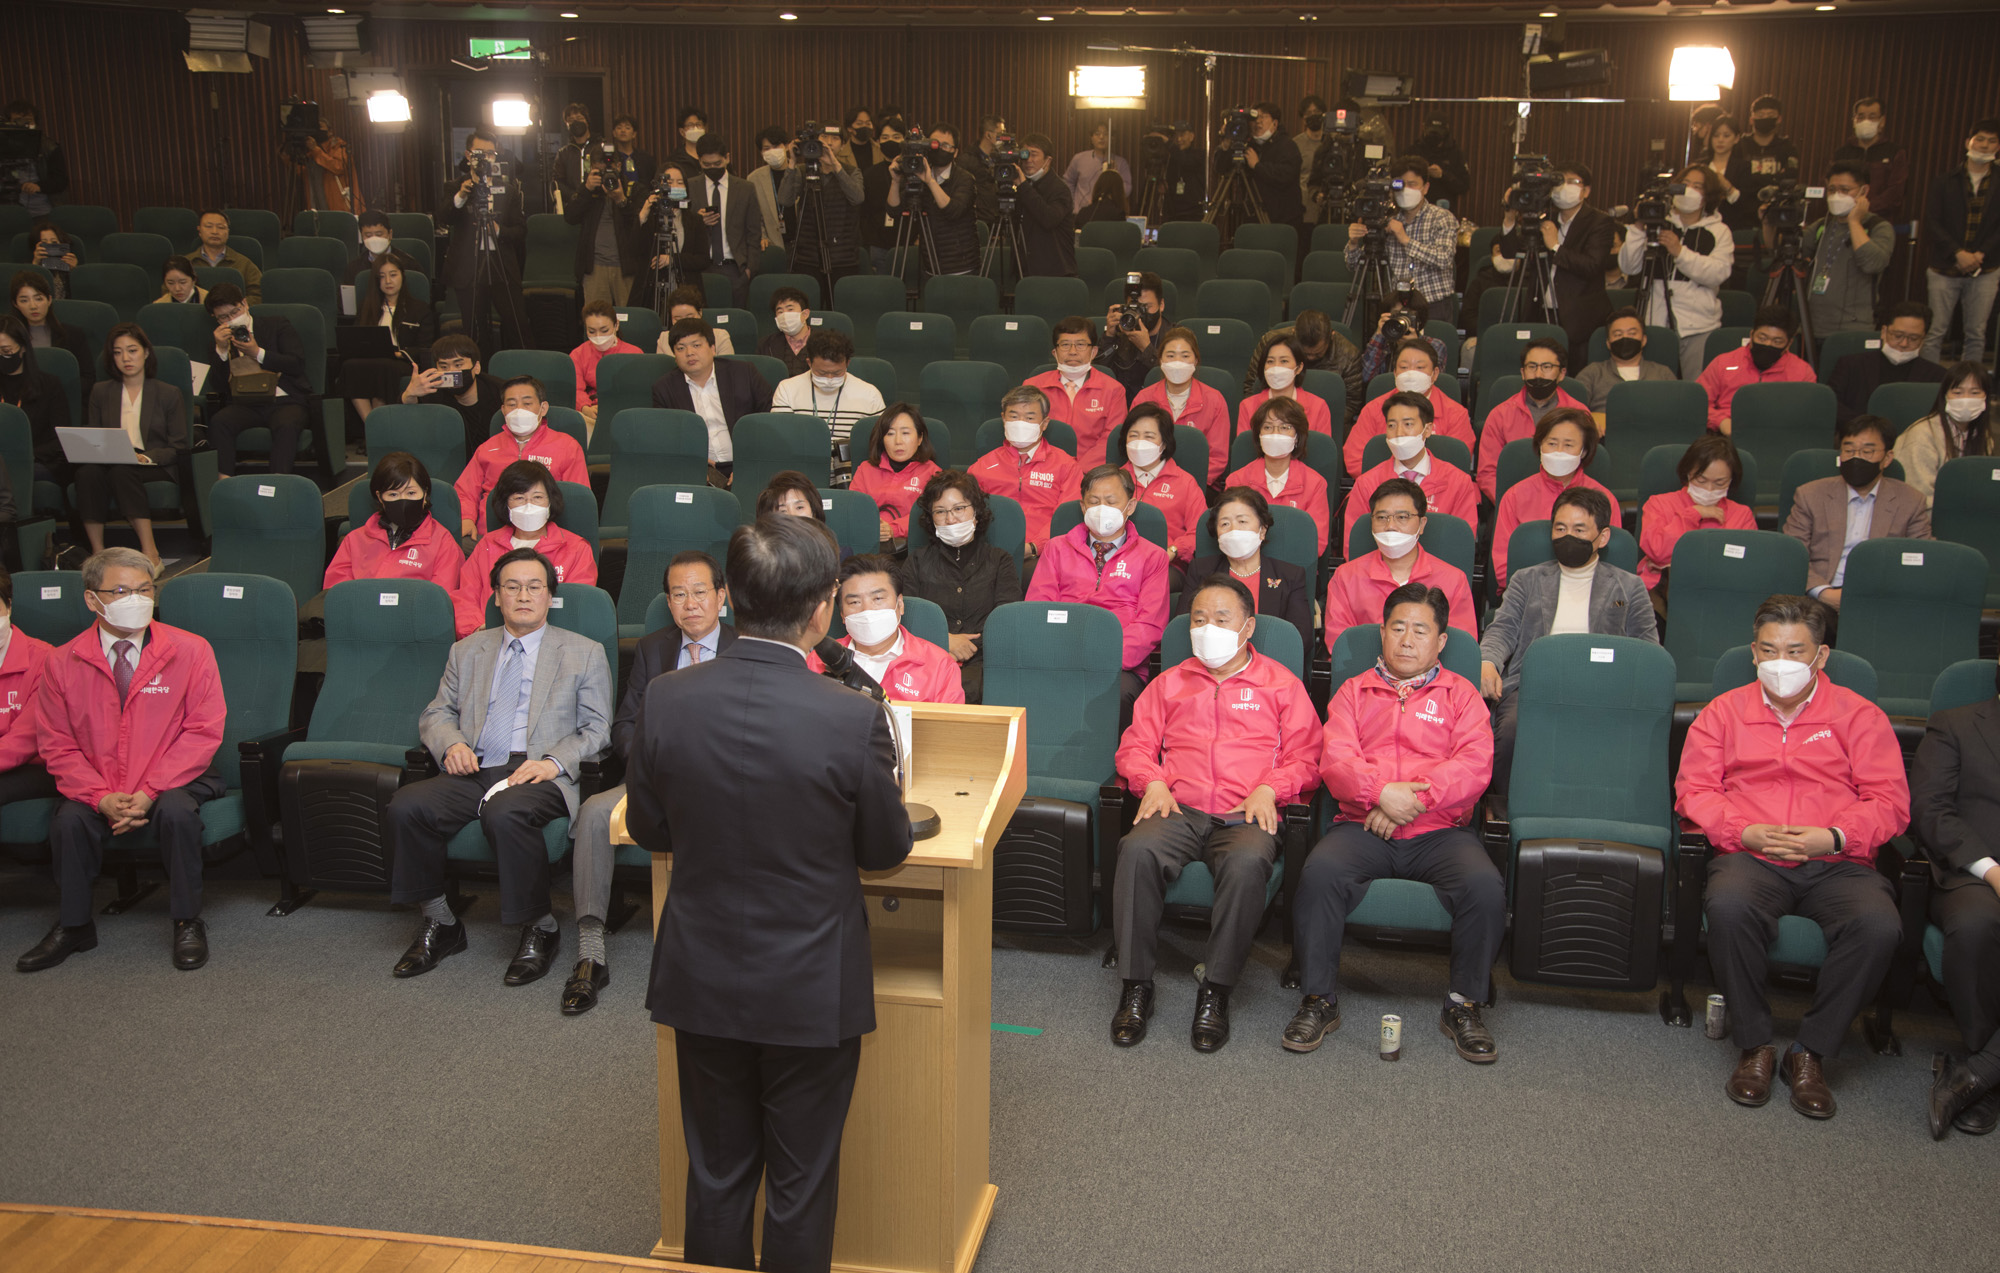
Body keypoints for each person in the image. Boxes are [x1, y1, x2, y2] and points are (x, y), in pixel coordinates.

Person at [624, 518, 914, 1273]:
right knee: (800, 1184)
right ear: (822, 609)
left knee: (717, 1175)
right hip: (810, 984)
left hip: (702, 970)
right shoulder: (850, 716)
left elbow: (652, 827)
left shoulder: (665, 696)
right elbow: (885, 850)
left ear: (731, 598)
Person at [1677, 594, 1907, 1120]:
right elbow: (1694, 791)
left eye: (1795, 650)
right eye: (1769, 649)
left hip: (1837, 859)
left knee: (1878, 927)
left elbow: (1891, 803)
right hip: (1752, 853)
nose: (1782, 662)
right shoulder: (1723, 713)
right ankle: (1755, 1044)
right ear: (1753, 654)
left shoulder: (1859, 715)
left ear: (1821, 656)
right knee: (1730, 909)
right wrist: (1746, 831)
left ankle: (1811, 1052)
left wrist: (1832, 836)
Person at [1286, 582, 1502, 1061]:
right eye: (1398, 627)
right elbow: (1337, 761)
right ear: (1382, 632)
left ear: (1441, 641)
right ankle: (1318, 998)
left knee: (1484, 887)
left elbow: (1474, 766)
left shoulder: (1462, 696)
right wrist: (1379, 794)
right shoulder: (1353, 692)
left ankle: (1463, 1004)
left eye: (1420, 630)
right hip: (1364, 826)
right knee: (1320, 875)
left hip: (1439, 831)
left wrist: (1407, 802)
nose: (1407, 639)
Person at [1110, 573, 1320, 1053]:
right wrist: (1154, 780)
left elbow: (1308, 757)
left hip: (1245, 811)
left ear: (1248, 628)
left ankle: (1217, 990)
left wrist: (1273, 787)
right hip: (1177, 807)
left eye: (1221, 619)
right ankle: (1136, 985)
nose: (1208, 628)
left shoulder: (1280, 684)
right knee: (1136, 849)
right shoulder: (1169, 683)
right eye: (1199, 619)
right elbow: (1134, 748)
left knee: (1248, 864)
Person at [388, 548, 612, 985]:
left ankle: (540, 928)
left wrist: (551, 762)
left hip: (537, 770)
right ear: (496, 596)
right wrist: (451, 744)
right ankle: (441, 922)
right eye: (512, 586)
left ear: (550, 597)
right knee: (406, 805)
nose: (523, 595)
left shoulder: (584, 652)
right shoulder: (467, 650)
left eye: (534, 587)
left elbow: (597, 729)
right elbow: (436, 714)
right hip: (476, 764)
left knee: (505, 811)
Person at [15, 549, 224, 974]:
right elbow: (57, 744)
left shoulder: (191, 650)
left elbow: (202, 731)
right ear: (93, 600)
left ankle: (186, 919)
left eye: (145, 589)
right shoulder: (62, 662)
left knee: (178, 813)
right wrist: (103, 797)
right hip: (99, 783)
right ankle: (74, 926)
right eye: (122, 590)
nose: (137, 599)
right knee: (69, 820)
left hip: (176, 779)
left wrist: (147, 792)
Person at [563, 550, 737, 1015]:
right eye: (679, 594)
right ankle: (590, 949)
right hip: (657, 776)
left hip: (725, 782)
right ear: (668, 601)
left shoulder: (746, 646)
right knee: (595, 812)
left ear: (722, 597)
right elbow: (624, 725)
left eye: (701, 592)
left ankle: (722, 945)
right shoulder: (653, 648)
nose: (691, 603)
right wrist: (649, 762)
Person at [1480, 487, 1656, 783]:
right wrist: (1488, 661)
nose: (1567, 537)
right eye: (1560, 528)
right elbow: (1503, 628)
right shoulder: (1527, 579)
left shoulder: (1629, 586)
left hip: (1604, 686)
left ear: (1603, 537)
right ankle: (1504, 808)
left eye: (1579, 529)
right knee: (1510, 732)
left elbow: (1647, 648)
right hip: (1533, 684)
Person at [1911, 659, 2000, 1137]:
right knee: (1976, 925)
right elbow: (1931, 809)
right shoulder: (1956, 724)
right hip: (1970, 874)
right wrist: (1992, 870)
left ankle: (1977, 1075)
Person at [1025, 464, 1171, 709]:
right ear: (1082, 507)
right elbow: (1039, 609)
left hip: (1120, 664)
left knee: (1115, 698)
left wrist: (1104, 657)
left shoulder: (1152, 556)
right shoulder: (1056, 548)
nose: (1101, 509)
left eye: (1111, 501)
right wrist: (1060, 655)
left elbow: (1150, 625)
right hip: (1060, 656)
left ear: (1130, 507)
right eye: (1093, 501)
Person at [1782, 413, 1931, 610]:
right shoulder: (1810, 494)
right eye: (1849, 450)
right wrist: (1823, 593)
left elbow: (1921, 557)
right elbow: (1793, 553)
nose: (1856, 458)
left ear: (1887, 458)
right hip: (1820, 599)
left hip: (1883, 598)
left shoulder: (1910, 500)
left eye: (1867, 451)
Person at [902, 470, 1022, 703]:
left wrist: (967, 646)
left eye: (959, 508)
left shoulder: (999, 560)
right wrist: (943, 640)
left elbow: (1007, 622)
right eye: (940, 511)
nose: (950, 519)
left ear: (975, 512)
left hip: (985, 662)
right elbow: (907, 617)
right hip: (927, 657)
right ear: (931, 517)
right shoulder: (916, 561)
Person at [1324, 478, 1478, 646]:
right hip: (1365, 671)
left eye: (1402, 517)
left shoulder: (1454, 580)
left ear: (1422, 524)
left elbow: (1461, 647)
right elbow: (1339, 644)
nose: (1391, 526)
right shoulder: (1346, 577)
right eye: (1381, 517)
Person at [455, 460, 597, 637]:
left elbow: (575, 608)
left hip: (553, 644)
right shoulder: (487, 545)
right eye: (519, 498)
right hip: (489, 640)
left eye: (537, 497)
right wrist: (478, 630)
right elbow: (465, 599)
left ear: (550, 501)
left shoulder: (577, 549)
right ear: (505, 503)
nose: (529, 506)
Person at [81, 325, 185, 564]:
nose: (125, 358)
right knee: (87, 473)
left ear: (146, 352)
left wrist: (145, 457)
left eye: (132, 350)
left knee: (123, 470)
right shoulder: (100, 391)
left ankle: (151, 554)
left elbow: (178, 446)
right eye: (117, 352)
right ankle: (98, 554)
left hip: (152, 463)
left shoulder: (168, 393)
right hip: (112, 459)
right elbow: (95, 436)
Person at [1618, 164, 1734, 380]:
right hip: (1655, 323)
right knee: (1655, 387)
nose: (1689, 190)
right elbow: (1628, 266)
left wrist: (1680, 253)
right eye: (1685, 184)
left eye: (1697, 186)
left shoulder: (1719, 230)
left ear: (1707, 195)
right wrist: (1638, 227)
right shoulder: (1659, 222)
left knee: (1697, 389)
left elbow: (1718, 273)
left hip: (1699, 326)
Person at [1501, 161, 1615, 368]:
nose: (1565, 187)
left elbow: (1592, 266)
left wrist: (1555, 246)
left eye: (1573, 182)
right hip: (1539, 313)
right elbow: (1511, 252)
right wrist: (1509, 218)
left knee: (1572, 379)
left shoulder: (1599, 222)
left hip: (1578, 321)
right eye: (1561, 181)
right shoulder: (1544, 216)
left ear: (1586, 191)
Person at [807, 554, 965, 704]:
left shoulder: (940, 666)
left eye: (878, 599)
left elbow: (950, 730)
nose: (867, 610)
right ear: (842, 614)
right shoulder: (818, 660)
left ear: (900, 604)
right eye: (854, 602)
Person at [1490, 407, 1618, 590]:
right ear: (1540, 445)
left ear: (1583, 451)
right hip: (1527, 594)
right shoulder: (1515, 496)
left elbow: (1612, 564)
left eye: (1568, 445)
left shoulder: (1605, 499)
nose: (1558, 451)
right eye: (1551, 443)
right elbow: (1504, 566)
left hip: (1589, 594)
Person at [1173, 487, 1313, 653]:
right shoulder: (1201, 570)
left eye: (1242, 522)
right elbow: (1183, 627)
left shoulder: (1290, 576)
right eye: (1225, 523)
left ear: (1262, 530)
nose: (1233, 530)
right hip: (1211, 663)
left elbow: (1300, 638)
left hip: (1270, 667)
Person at [456, 375, 589, 538]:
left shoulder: (567, 446)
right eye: (512, 404)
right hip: (490, 537)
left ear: (543, 408)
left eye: (527, 403)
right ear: (503, 410)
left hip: (545, 537)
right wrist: (466, 519)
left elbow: (577, 500)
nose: (519, 410)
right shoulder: (487, 448)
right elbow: (465, 492)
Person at [201, 283, 310, 476]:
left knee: (286, 424)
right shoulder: (219, 341)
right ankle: (223, 483)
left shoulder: (276, 324)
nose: (231, 319)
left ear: (244, 304)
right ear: (215, 319)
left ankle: (278, 484)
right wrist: (222, 351)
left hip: (284, 399)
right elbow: (219, 386)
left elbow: (296, 363)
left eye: (235, 312)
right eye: (223, 317)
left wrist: (257, 353)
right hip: (246, 402)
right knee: (219, 422)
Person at [1343, 390, 1479, 544]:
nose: (1399, 433)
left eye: (1408, 424)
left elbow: (1461, 545)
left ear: (1427, 430)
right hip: (1379, 567)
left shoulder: (1459, 483)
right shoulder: (1366, 483)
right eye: (1391, 425)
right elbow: (1355, 545)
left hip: (1439, 568)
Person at [650, 317, 773, 486]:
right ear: (675, 356)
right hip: (699, 469)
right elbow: (666, 440)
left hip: (746, 462)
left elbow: (769, 421)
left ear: (713, 348)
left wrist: (748, 464)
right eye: (680, 348)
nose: (689, 353)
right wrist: (693, 465)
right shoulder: (664, 389)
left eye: (696, 345)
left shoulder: (744, 374)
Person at [324, 451, 463, 593]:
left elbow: (440, 599)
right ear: (380, 497)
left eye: (411, 493)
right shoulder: (354, 541)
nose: (403, 500)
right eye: (393, 494)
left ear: (425, 494)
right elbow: (336, 595)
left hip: (416, 614)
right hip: (362, 613)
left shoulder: (443, 543)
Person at [1637, 434, 1756, 598]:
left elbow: (1744, 564)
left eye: (1719, 483)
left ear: (1731, 480)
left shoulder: (1742, 514)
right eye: (1701, 480)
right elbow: (1658, 551)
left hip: (1722, 592)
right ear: (1688, 473)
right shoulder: (1659, 504)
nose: (1709, 489)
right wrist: (1693, 514)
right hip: (1664, 593)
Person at [1921, 119, 2000, 367]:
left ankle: (1971, 386)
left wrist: (1979, 254)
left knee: (1976, 334)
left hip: (1986, 268)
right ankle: (1928, 386)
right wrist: (1958, 252)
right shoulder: (1944, 180)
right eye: (1980, 139)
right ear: (1968, 142)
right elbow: (1932, 221)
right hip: (1944, 267)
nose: (1985, 146)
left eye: (1992, 141)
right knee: (1935, 332)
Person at [441, 129, 528, 353]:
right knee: (474, 331)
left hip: (502, 265)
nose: (485, 158)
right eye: (480, 153)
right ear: (468, 155)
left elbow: (520, 231)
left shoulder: (508, 189)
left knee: (517, 325)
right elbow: (444, 218)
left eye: (490, 153)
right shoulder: (455, 187)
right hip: (468, 268)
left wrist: (499, 231)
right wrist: (461, 195)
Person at [969, 384, 1081, 555]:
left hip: (1047, 553)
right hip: (991, 553)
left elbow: (1067, 516)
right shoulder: (982, 466)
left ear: (1044, 424)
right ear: (1003, 419)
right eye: (1013, 417)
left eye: (1029, 418)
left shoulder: (1066, 466)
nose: (1020, 424)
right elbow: (968, 515)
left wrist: (1035, 547)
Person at [1343, 336, 1474, 478]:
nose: (1411, 373)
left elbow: (1457, 465)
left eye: (1420, 367)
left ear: (1435, 374)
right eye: (1404, 367)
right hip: (1381, 489)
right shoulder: (1373, 409)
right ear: (1394, 373)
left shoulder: (1455, 414)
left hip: (1438, 492)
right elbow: (1356, 461)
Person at [1792, 161, 1895, 343]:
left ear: (1863, 191)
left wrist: (1854, 221)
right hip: (1811, 327)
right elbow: (1785, 251)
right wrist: (1769, 222)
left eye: (1845, 190)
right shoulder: (1821, 226)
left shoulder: (1878, 227)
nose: (1836, 196)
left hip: (1853, 329)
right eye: (1832, 189)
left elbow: (1872, 263)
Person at [1476, 340, 1590, 502]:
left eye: (1547, 367)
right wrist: (1511, 503)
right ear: (1523, 372)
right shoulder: (1500, 414)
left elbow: (1586, 470)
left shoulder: (1580, 414)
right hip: (1513, 503)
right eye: (1532, 367)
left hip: (1569, 505)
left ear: (1562, 373)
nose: (1538, 374)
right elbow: (1488, 474)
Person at [1344, 154, 1457, 307]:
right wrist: (1353, 243)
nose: (1406, 190)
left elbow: (1444, 259)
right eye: (1401, 185)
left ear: (1425, 188)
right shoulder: (1387, 219)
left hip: (1432, 303)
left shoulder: (1442, 218)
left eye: (1413, 184)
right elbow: (1355, 266)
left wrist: (1406, 240)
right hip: (1396, 305)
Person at [1223, 396, 1330, 557]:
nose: (1275, 434)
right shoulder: (1237, 480)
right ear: (1258, 435)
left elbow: (1317, 543)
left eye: (1285, 427)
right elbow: (1229, 534)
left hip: (1293, 568)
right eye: (1267, 427)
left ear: (1297, 437)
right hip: (1244, 564)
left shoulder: (1315, 483)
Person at [339, 257, 435, 423]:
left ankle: (374, 428)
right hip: (370, 360)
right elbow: (357, 338)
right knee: (350, 366)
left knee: (384, 367)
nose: (388, 281)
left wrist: (400, 354)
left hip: (399, 362)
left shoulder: (419, 309)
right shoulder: (367, 307)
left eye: (393, 275)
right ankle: (372, 425)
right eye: (382, 276)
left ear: (402, 276)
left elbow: (426, 347)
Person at [1132, 327, 1230, 485]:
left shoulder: (1215, 400)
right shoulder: (1144, 398)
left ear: (1196, 360)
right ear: (1161, 360)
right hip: (1149, 481)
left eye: (1185, 356)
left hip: (1197, 484)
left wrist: (1184, 485)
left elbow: (1217, 458)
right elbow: (1134, 446)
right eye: (1170, 356)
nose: (1177, 362)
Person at [1698, 304, 1815, 434]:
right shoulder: (1723, 362)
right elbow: (1698, 402)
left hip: (1778, 434)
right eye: (1762, 338)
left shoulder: (1803, 372)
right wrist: (1720, 421)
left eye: (1777, 341)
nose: (1767, 345)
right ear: (1752, 335)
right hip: (1725, 433)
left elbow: (1807, 416)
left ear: (1789, 344)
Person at [1029, 317, 1129, 469]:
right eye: (1065, 345)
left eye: (1081, 345)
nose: (1073, 352)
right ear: (1055, 353)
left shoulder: (1114, 390)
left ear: (1093, 352)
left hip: (1093, 473)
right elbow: (1028, 434)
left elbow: (1111, 440)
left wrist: (1077, 471)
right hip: (1042, 468)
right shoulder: (1033, 386)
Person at [1827, 301, 1947, 426]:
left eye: (1914, 338)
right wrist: (1867, 427)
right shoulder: (1851, 365)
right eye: (1898, 335)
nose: (1904, 343)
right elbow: (1831, 403)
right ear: (1884, 332)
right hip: (1857, 436)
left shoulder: (1937, 376)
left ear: (1924, 339)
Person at [886, 125, 980, 280]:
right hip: (930, 266)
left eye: (946, 146)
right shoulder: (918, 175)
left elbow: (953, 211)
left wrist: (930, 181)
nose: (940, 149)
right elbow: (893, 210)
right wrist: (895, 182)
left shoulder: (964, 178)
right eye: (936, 144)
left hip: (962, 267)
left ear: (955, 152)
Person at [770, 328, 884, 456]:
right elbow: (782, 441)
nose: (829, 379)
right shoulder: (787, 389)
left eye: (837, 373)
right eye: (822, 373)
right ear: (809, 363)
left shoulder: (870, 395)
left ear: (847, 363)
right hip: (801, 463)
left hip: (851, 469)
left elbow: (879, 443)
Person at [1116, 404, 1202, 568]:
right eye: (1133, 435)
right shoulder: (1113, 480)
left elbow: (1198, 532)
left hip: (1168, 563)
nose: (1140, 442)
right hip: (1117, 560)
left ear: (1164, 443)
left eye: (1149, 436)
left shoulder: (1185, 482)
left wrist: (1173, 550)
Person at [1897, 363, 1994, 505]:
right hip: (1929, 518)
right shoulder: (1922, 435)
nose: (1965, 399)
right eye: (1957, 392)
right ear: (1945, 396)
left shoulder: (1983, 435)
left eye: (1974, 393)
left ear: (1986, 397)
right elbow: (1920, 499)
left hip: (1965, 512)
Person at [564, 144, 646, 308]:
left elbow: (639, 224)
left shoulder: (633, 190)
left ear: (619, 166)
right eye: (600, 168)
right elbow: (570, 217)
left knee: (628, 320)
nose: (607, 173)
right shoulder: (588, 190)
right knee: (596, 318)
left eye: (611, 167)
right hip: (594, 267)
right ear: (592, 168)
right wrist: (587, 190)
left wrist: (621, 199)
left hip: (626, 267)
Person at [400, 333, 502, 460]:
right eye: (443, 367)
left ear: (476, 367)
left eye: (458, 365)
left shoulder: (500, 391)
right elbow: (411, 427)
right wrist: (409, 395)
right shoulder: (432, 393)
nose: (451, 372)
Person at [0, 314, 73, 494]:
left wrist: (26, 455)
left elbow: (61, 438)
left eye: (6, 351)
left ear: (23, 347)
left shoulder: (49, 385)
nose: (2, 357)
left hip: (39, 461)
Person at [848, 404, 940, 544]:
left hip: (912, 548)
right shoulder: (865, 470)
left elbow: (930, 515)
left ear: (920, 438)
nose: (898, 441)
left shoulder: (933, 473)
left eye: (905, 433)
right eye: (890, 433)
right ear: (882, 439)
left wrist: (893, 529)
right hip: (868, 543)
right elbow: (854, 509)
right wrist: (872, 527)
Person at [692, 136, 763, 309]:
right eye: (706, 165)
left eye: (717, 164)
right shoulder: (690, 186)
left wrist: (749, 270)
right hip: (700, 268)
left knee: (734, 322)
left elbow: (754, 232)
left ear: (727, 158)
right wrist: (697, 220)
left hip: (735, 269)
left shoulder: (745, 188)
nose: (712, 169)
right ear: (699, 161)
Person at [636, 159, 712, 306]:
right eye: (669, 182)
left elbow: (703, 260)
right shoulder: (651, 218)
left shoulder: (695, 220)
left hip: (687, 290)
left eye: (680, 182)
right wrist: (644, 213)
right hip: (653, 293)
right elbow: (636, 249)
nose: (675, 186)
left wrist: (673, 259)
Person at [1574, 307, 1676, 411]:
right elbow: (1572, 411)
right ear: (1608, 343)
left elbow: (1678, 411)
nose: (1625, 338)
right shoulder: (1592, 373)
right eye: (1618, 334)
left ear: (1644, 340)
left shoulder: (1663, 373)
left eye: (1632, 333)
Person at [1238, 336, 1334, 441]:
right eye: (1270, 361)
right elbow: (1245, 451)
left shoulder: (1318, 407)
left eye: (1284, 361)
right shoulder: (1247, 406)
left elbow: (1321, 452)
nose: (1276, 367)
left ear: (1299, 368)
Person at [1834, 96, 1909, 229]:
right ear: (1854, 121)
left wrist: (1863, 209)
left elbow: (1895, 193)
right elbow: (1831, 185)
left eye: (1872, 117)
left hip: (1878, 223)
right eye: (1861, 117)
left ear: (1882, 121)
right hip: (1843, 221)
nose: (1865, 121)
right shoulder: (1842, 153)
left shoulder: (1895, 152)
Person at [10, 271, 93, 390]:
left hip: (62, 400)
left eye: (38, 299)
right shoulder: (9, 337)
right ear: (16, 304)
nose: (33, 306)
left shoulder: (73, 335)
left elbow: (88, 379)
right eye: (24, 300)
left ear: (49, 300)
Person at [1095, 272, 1170, 401]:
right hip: (1121, 406)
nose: (1140, 313)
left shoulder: (1174, 337)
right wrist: (1109, 337)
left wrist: (1147, 349)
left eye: (1146, 307)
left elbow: (1174, 380)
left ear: (1161, 305)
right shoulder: (1120, 332)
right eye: (1135, 307)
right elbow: (1098, 377)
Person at [568, 301, 641, 430]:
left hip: (624, 413)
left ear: (616, 325)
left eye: (604, 330)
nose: (598, 337)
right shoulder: (578, 353)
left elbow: (637, 392)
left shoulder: (634, 353)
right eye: (592, 331)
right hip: (590, 411)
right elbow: (575, 388)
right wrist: (585, 407)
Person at [1701, 115, 1761, 261]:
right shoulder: (1701, 165)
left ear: (1736, 138)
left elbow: (1747, 205)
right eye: (1716, 135)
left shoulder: (1744, 168)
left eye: (1726, 135)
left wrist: (1727, 187)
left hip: (1730, 227)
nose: (1720, 140)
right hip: (1701, 224)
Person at [1016, 133, 1076, 279]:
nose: (1028, 160)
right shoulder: (1020, 185)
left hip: (1055, 271)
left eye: (1034, 155)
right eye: (1025, 155)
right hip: (1025, 270)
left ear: (1048, 160)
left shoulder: (1059, 189)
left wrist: (1023, 186)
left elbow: (1049, 218)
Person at [1356, 288, 1445, 385]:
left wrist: (1414, 346)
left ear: (1419, 320)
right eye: (1396, 314)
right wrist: (1379, 334)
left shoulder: (1435, 346)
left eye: (1409, 316)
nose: (1401, 321)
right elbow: (1364, 377)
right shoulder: (1383, 344)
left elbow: (1433, 384)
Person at [1244, 103, 1305, 231]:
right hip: (1254, 218)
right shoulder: (1248, 146)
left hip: (1283, 219)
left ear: (1275, 124)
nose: (1258, 122)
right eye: (1255, 118)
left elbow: (1285, 175)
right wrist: (1227, 144)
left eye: (1263, 117)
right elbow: (1222, 168)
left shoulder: (1287, 145)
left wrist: (1257, 166)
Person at [2, 100, 66, 219]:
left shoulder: (49, 147)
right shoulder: (3, 147)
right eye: (16, 121)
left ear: (36, 123)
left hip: (44, 211)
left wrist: (39, 186)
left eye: (28, 121)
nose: (23, 126)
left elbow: (61, 180)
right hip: (9, 212)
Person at [190, 209, 262, 305]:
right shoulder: (187, 263)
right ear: (199, 230)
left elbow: (258, 294)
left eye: (220, 227)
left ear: (228, 232)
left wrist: (234, 307)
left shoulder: (244, 263)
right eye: (208, 226)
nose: (215, 232)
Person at [341, 210, 419, 291]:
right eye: (368, 235)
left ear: (390, 234)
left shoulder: (409, 264)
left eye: (379, 234)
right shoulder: (353, 269)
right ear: (362, 236)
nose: (374, 239)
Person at [1064, 121, 1132, 214]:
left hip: (1110, 215)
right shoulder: (1079, 159)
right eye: (1097, 134)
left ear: (1112, 138)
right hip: (1081, 213)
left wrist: (1115, 175)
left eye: (1106, 134)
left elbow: (1127, 190)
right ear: (1091, 138)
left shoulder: (1121, 163)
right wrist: (1072, 204)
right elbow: (1068, 182)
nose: (1101, 137)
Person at [1739, 95, 1802, 192]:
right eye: (1760, 115)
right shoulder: (1740, 145)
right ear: (1751, 119)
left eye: (1770, 115)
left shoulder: (1788, 148)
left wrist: (1754, 178)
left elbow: (1790, 176)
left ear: (1779, 119)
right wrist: (1772, 178)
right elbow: (1736, 175)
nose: (1765, 118)